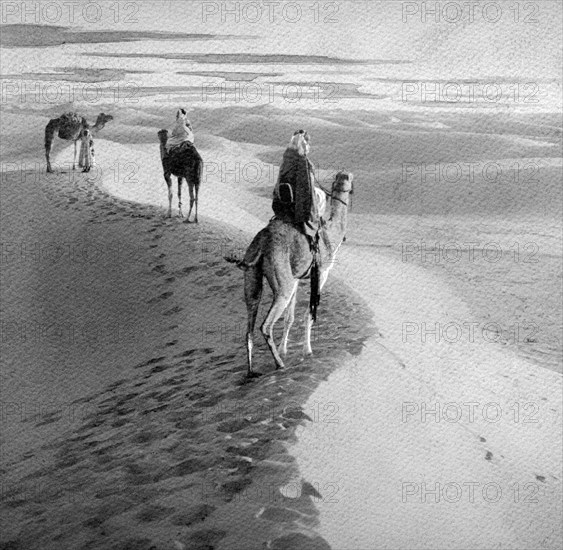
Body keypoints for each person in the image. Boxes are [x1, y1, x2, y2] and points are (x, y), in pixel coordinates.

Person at [272, 130, 324, 243]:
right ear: (304, 144)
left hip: (283, 201)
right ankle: (316, 233)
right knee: (321, 197)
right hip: (297, 200)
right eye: (308, 144)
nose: (309, 147)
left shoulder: (287, 158)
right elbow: (306, 188)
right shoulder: (302, 162)